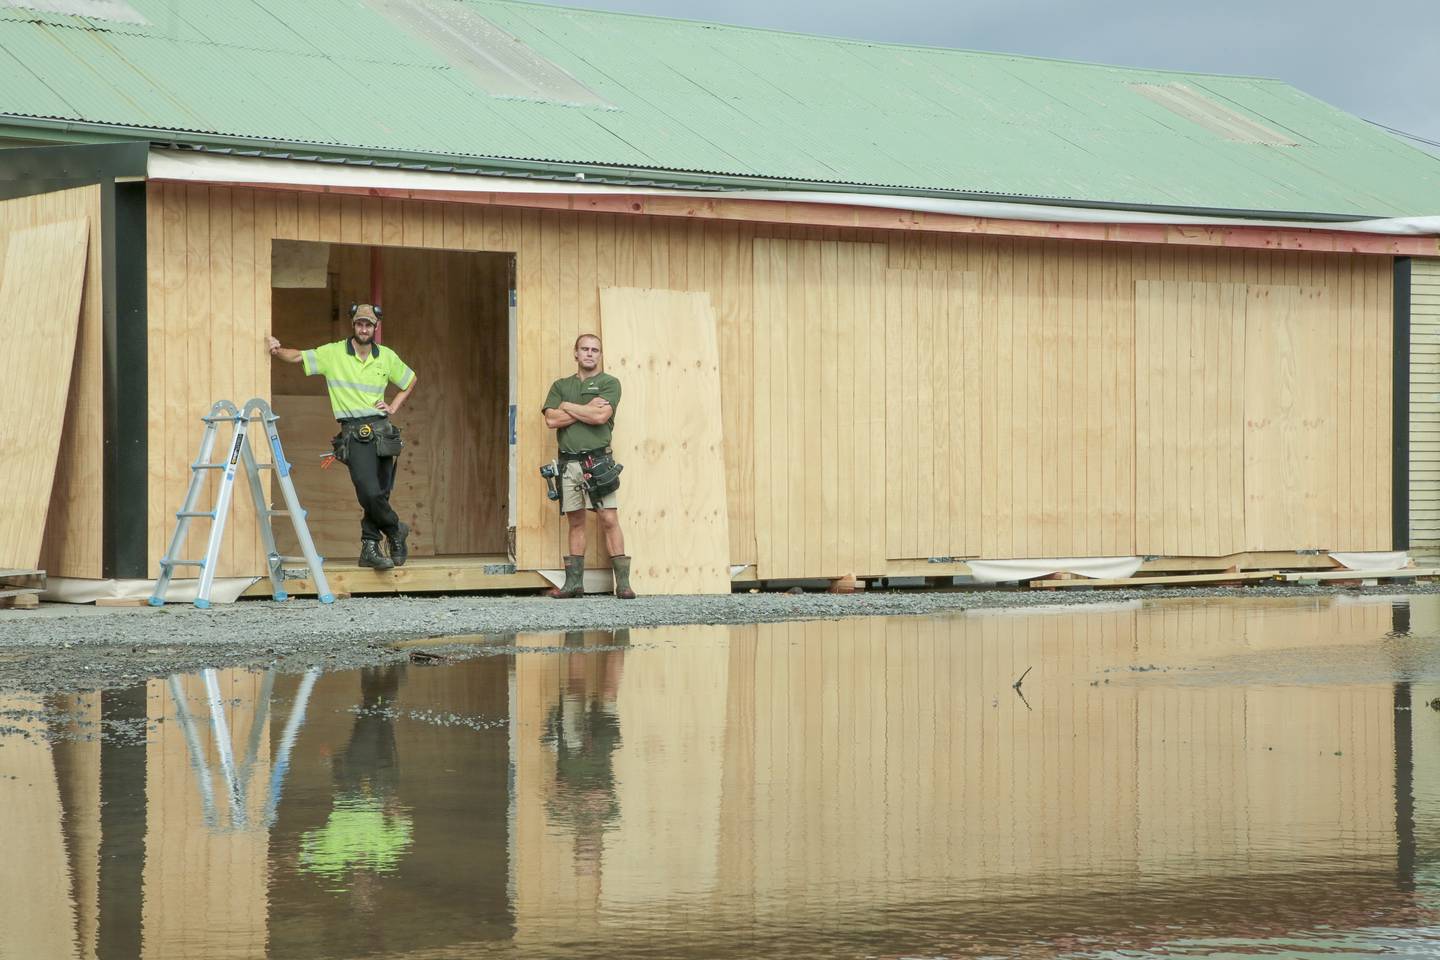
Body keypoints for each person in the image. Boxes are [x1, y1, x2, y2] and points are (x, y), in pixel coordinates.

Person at [267, 304, 416, 571]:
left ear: (376, 327)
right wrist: (277, 350)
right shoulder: (334, 353)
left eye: (369, 325)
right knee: (368, 492)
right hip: (353, 434)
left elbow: (410, 380)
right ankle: (395, 529)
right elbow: (298, 357)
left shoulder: (387, 357)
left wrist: (393, 406)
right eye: (360, 324)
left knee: (380, 493)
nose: (363, 329)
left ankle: (370, 547)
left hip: (381, 433)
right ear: (353, 325)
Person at [542, 333, 635, 599]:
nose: (590, 353)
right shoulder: (560, 385)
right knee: (576, 521)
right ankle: (574, 585)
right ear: (576, 353)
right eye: (585, 349)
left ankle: (624, 585)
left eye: (595, 350)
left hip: (599, 461)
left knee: (608, 518)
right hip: (568, 463)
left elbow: (600, 416)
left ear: (600, 354)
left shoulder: (609, 383)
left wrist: (568, 407)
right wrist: (585, 409)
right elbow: (551, 421)